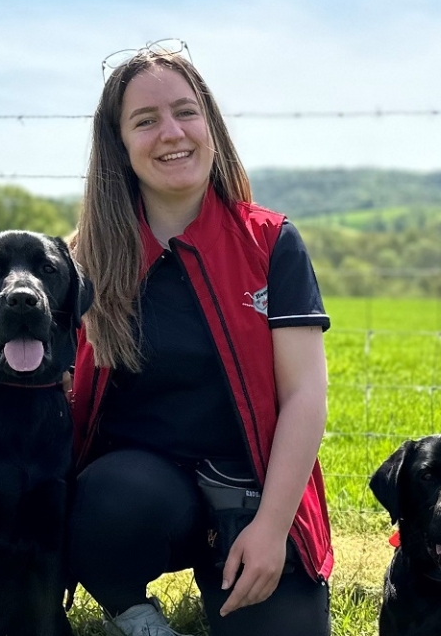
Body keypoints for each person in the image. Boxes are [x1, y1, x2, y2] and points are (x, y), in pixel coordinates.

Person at [65, 41, 334, 636]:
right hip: (137, 493)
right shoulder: (85, 257)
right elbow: (55, 390)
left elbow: (305, 399)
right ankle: (130, 612)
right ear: (119, 143)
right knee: (106, 497)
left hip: (250, 493)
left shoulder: (271, 243)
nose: (171, 132)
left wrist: (271, 530)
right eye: (145, 120)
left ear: (209, 123)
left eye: (186, 112)